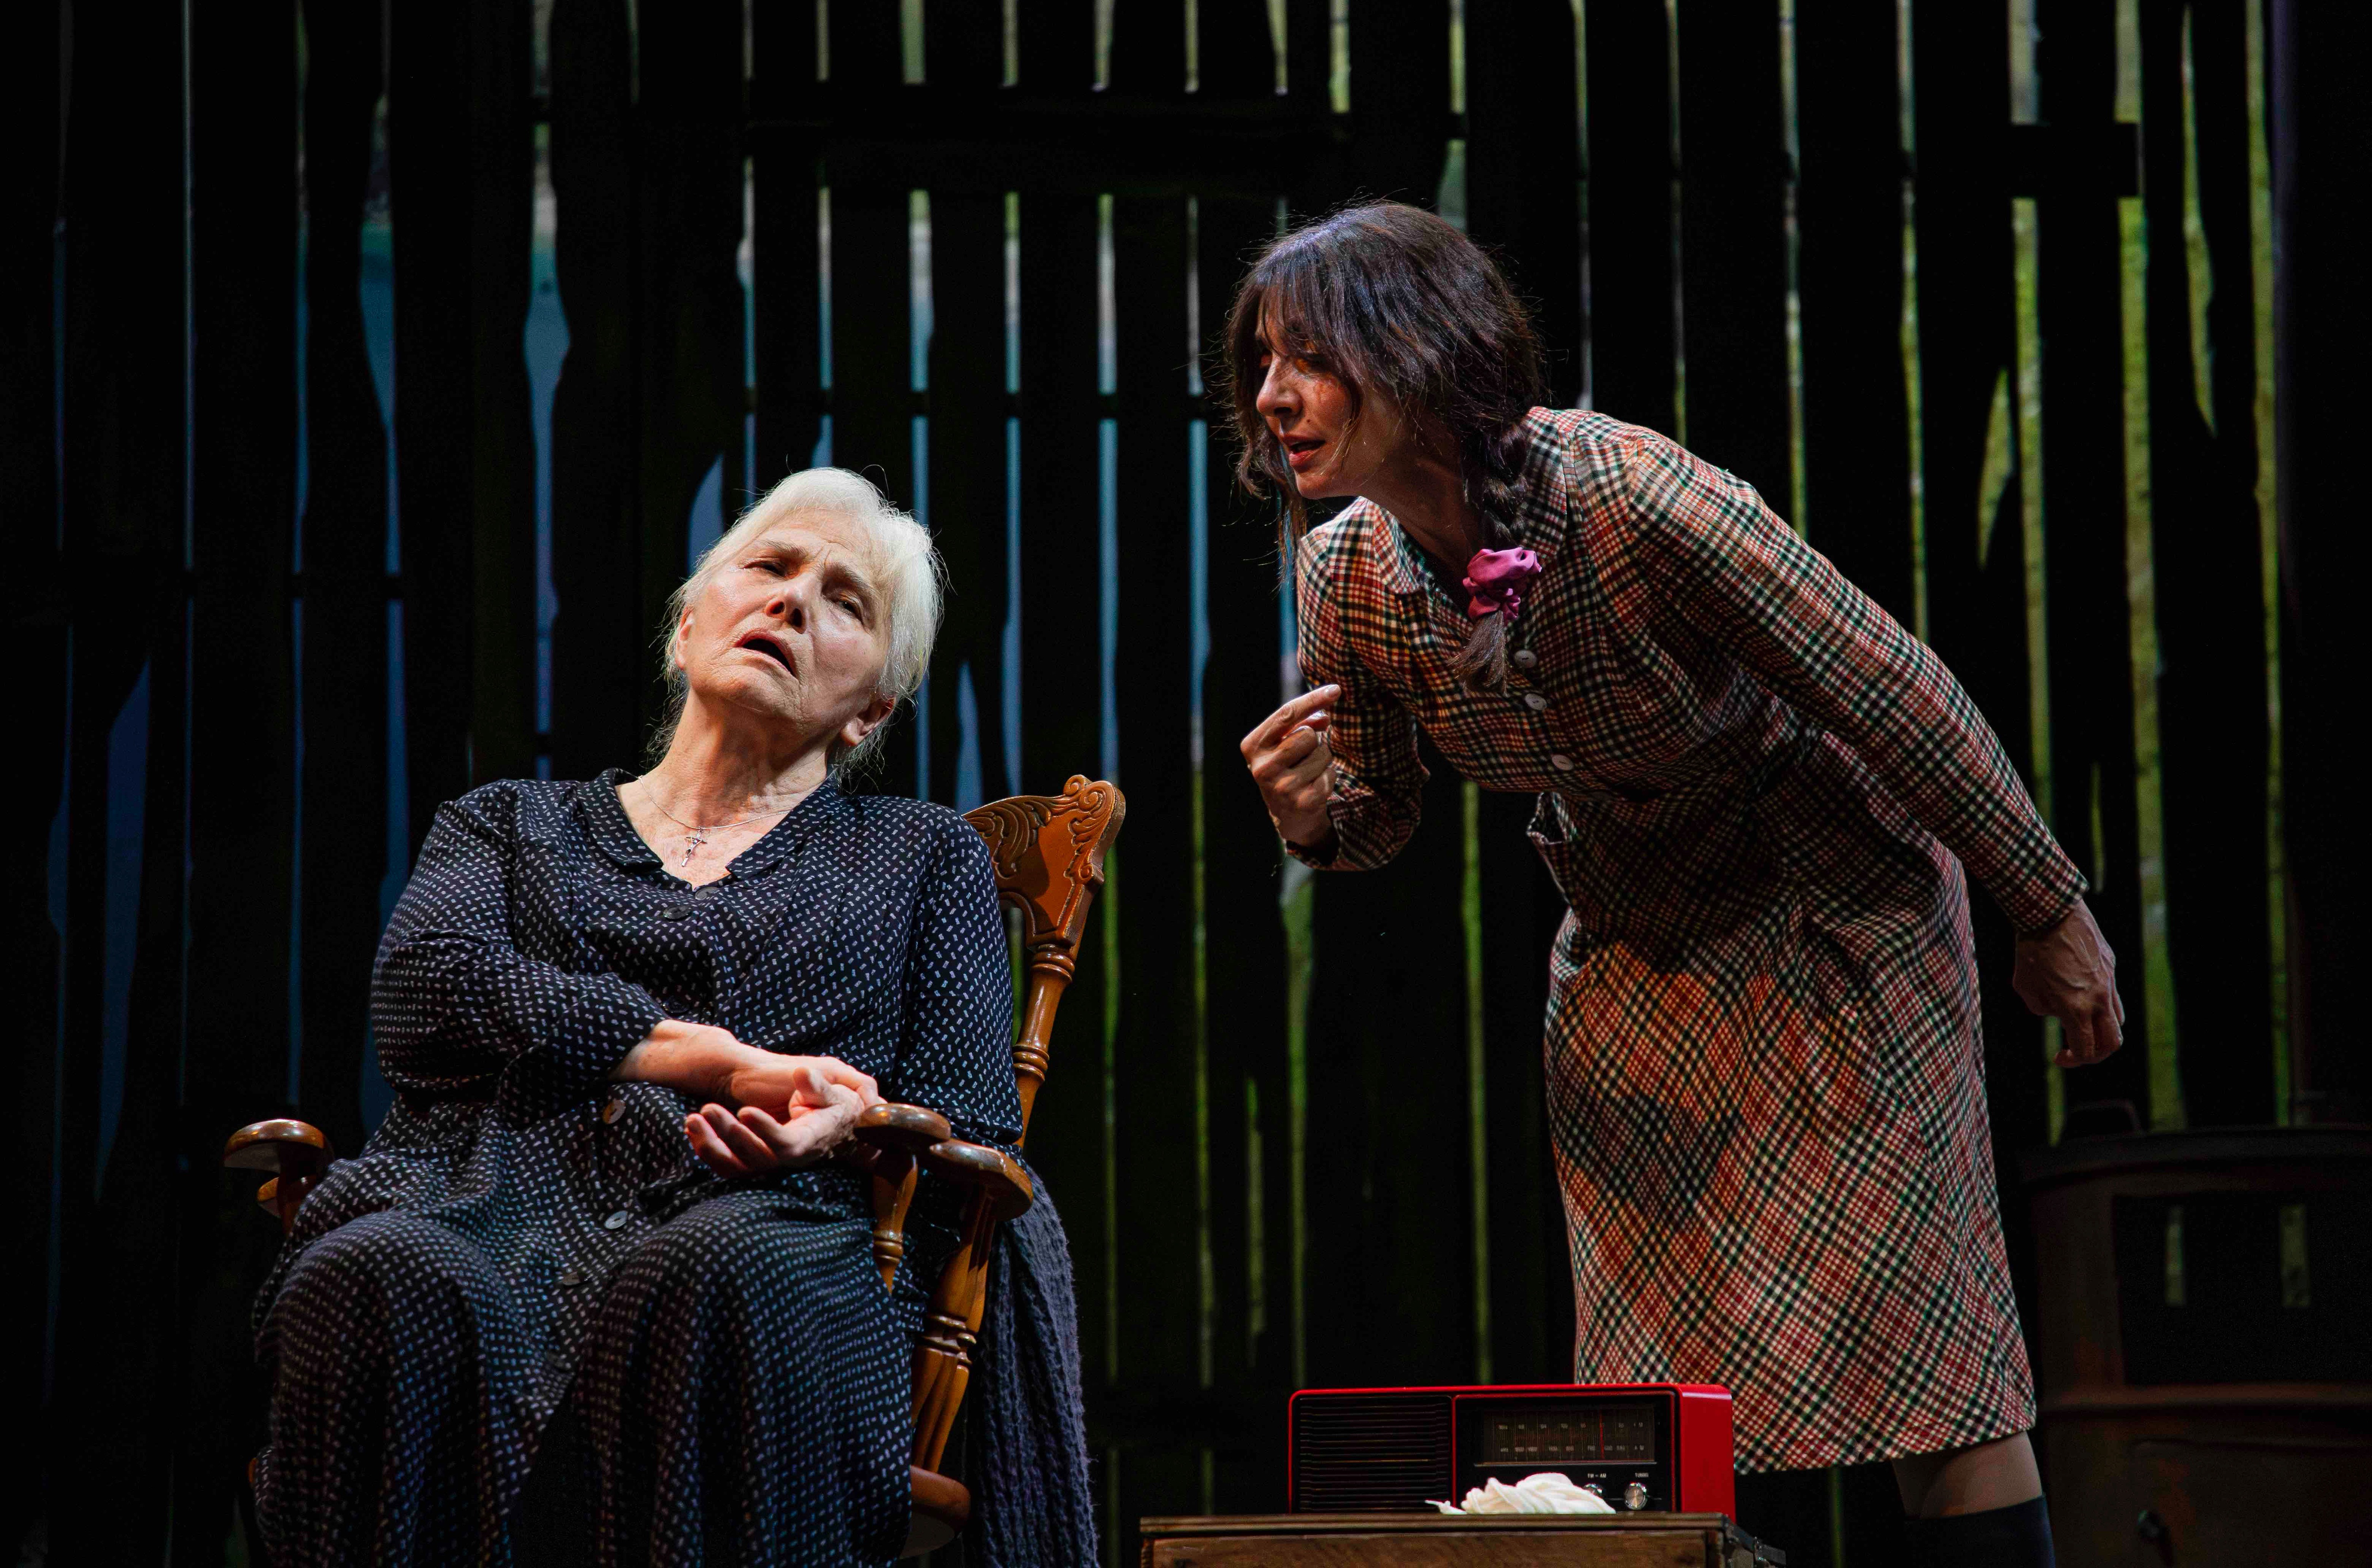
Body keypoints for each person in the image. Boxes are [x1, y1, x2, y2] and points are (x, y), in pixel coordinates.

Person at [1233, 202, 2117, 1566]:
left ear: (1418, 351)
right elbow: (1383, 815)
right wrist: (1313, 823)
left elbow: (1895, 690)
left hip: (1834, 913)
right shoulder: (1343, 574)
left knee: (1928, 1363)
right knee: (1655, 1397)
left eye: (1311, 356)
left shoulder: (1633, 497)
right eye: (1262, 362)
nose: (1273, 395)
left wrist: (2046, 907)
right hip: (1637, 957)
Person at [251, 468, 1094, 1566]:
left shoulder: (920, 857)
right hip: (493, 1216)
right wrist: (718, 1062)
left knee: (715, 1271)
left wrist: (846, 1125)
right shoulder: (509, 826)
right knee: (376, 1272)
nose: (793, 601)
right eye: (771, 567)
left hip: (786, 1234)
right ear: (688, 625)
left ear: (871, 711)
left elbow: (974, 1120)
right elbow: (428, 988)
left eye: (846, 601)